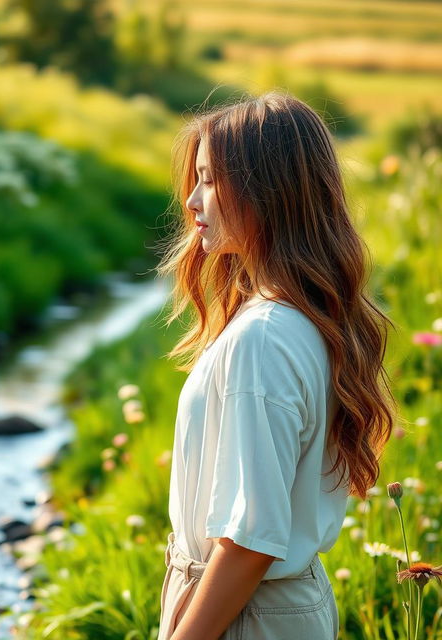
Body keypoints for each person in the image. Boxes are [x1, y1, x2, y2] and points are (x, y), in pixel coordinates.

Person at [152, 90, 397, 640]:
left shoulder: (264, 337)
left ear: (269, 191)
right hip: (263, 609)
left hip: (245, 615)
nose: (192, 201)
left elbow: (248, 541)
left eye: (211, 179)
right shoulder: (295, 319)